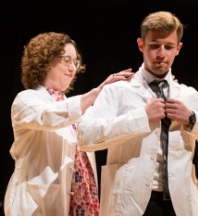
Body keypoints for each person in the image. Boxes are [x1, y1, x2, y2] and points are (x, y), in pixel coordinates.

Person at [77, 11, 198, 216]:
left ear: (178, 49)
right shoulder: (118, 90)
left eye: (168, 47)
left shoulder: (188, 95)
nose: (161, 53)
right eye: (154, 46)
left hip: (178, 205)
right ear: (141, 45)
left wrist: (192, 119)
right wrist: (141, 118)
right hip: (130, 202)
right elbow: (85, 136)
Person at [3, 32, 134, 216]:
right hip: (36, 205)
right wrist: (97, 92)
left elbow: (106, 130)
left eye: (75, 62)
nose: (73, 68)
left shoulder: (76, 110)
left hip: (79, 203)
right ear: (45, 60)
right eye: (66, 60)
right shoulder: (26, 100)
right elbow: (49, 116)